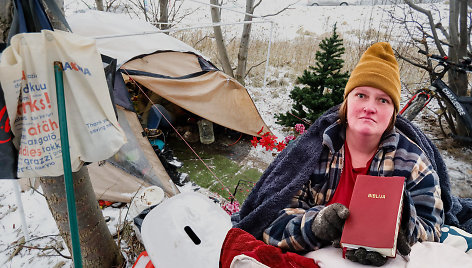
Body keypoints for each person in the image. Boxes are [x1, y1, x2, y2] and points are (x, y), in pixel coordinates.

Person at [232, 42, 445, 266]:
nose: (370, 107)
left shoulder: (412, 161)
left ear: (393, 112)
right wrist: (316, 226)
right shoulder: (314, 152)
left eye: (383, 100)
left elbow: (433, 229)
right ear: (346, 102)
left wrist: (403, 229)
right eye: (361, 95)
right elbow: (270, 220)